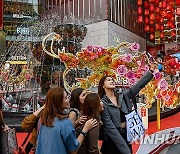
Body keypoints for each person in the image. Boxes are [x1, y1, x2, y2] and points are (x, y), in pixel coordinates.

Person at [98, 65, 156, 154]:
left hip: (126, 134)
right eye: (108, 80)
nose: (111, 81)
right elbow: (109, 127)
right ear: (102, 85)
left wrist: (150, 72)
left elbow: (138, 86)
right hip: (112, 139)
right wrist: (125, 150)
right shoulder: (102, 103)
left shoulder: (123, 95)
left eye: (112, 80)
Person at [36, 87, 97, 154]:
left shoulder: (44, 119)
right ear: (58, 101)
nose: (68, 99)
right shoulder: (64, 123)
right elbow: (74, 149)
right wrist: (85, 130)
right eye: (65, 98)